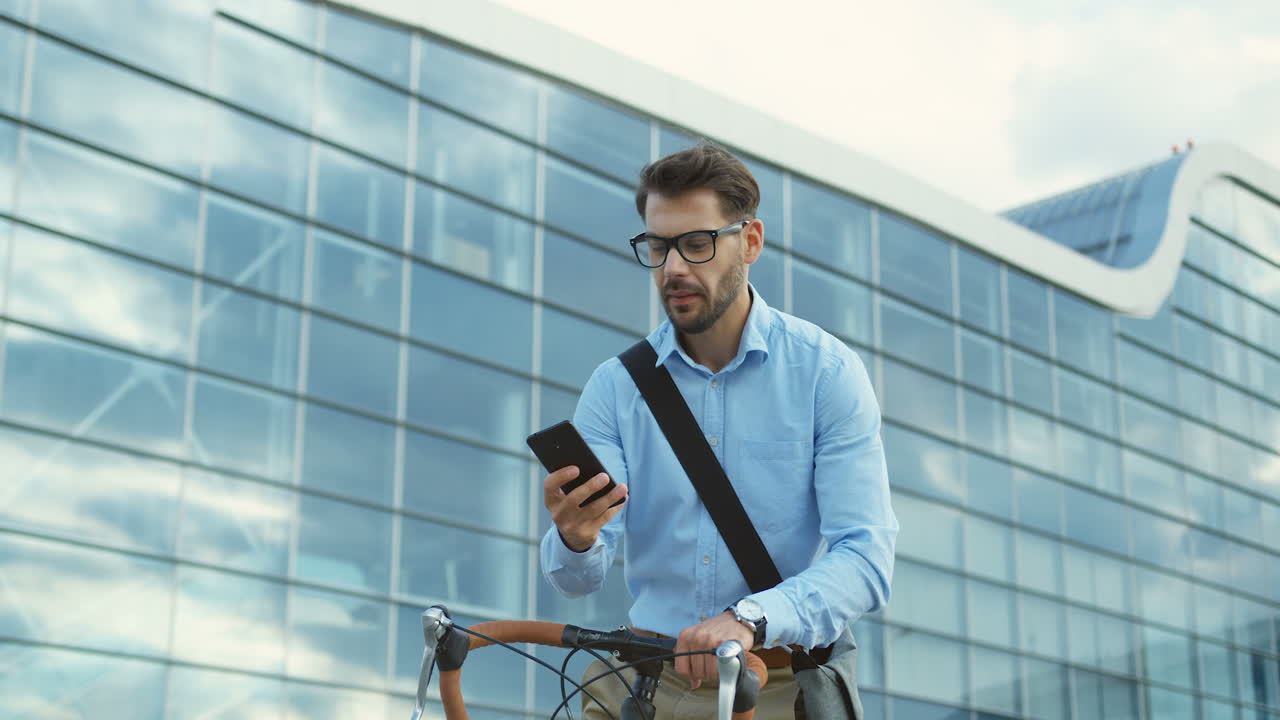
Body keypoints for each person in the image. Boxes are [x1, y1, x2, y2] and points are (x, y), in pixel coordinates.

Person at [539, 143, 897, 718]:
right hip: (640, 683)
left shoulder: (825, 373)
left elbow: (867, 558)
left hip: (772, 684)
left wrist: (750, 618)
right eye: (658, 247)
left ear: (750, 241)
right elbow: (576, 578)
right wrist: (577, 537)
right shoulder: (615, 388)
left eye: (697, 244)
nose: (674, 268)